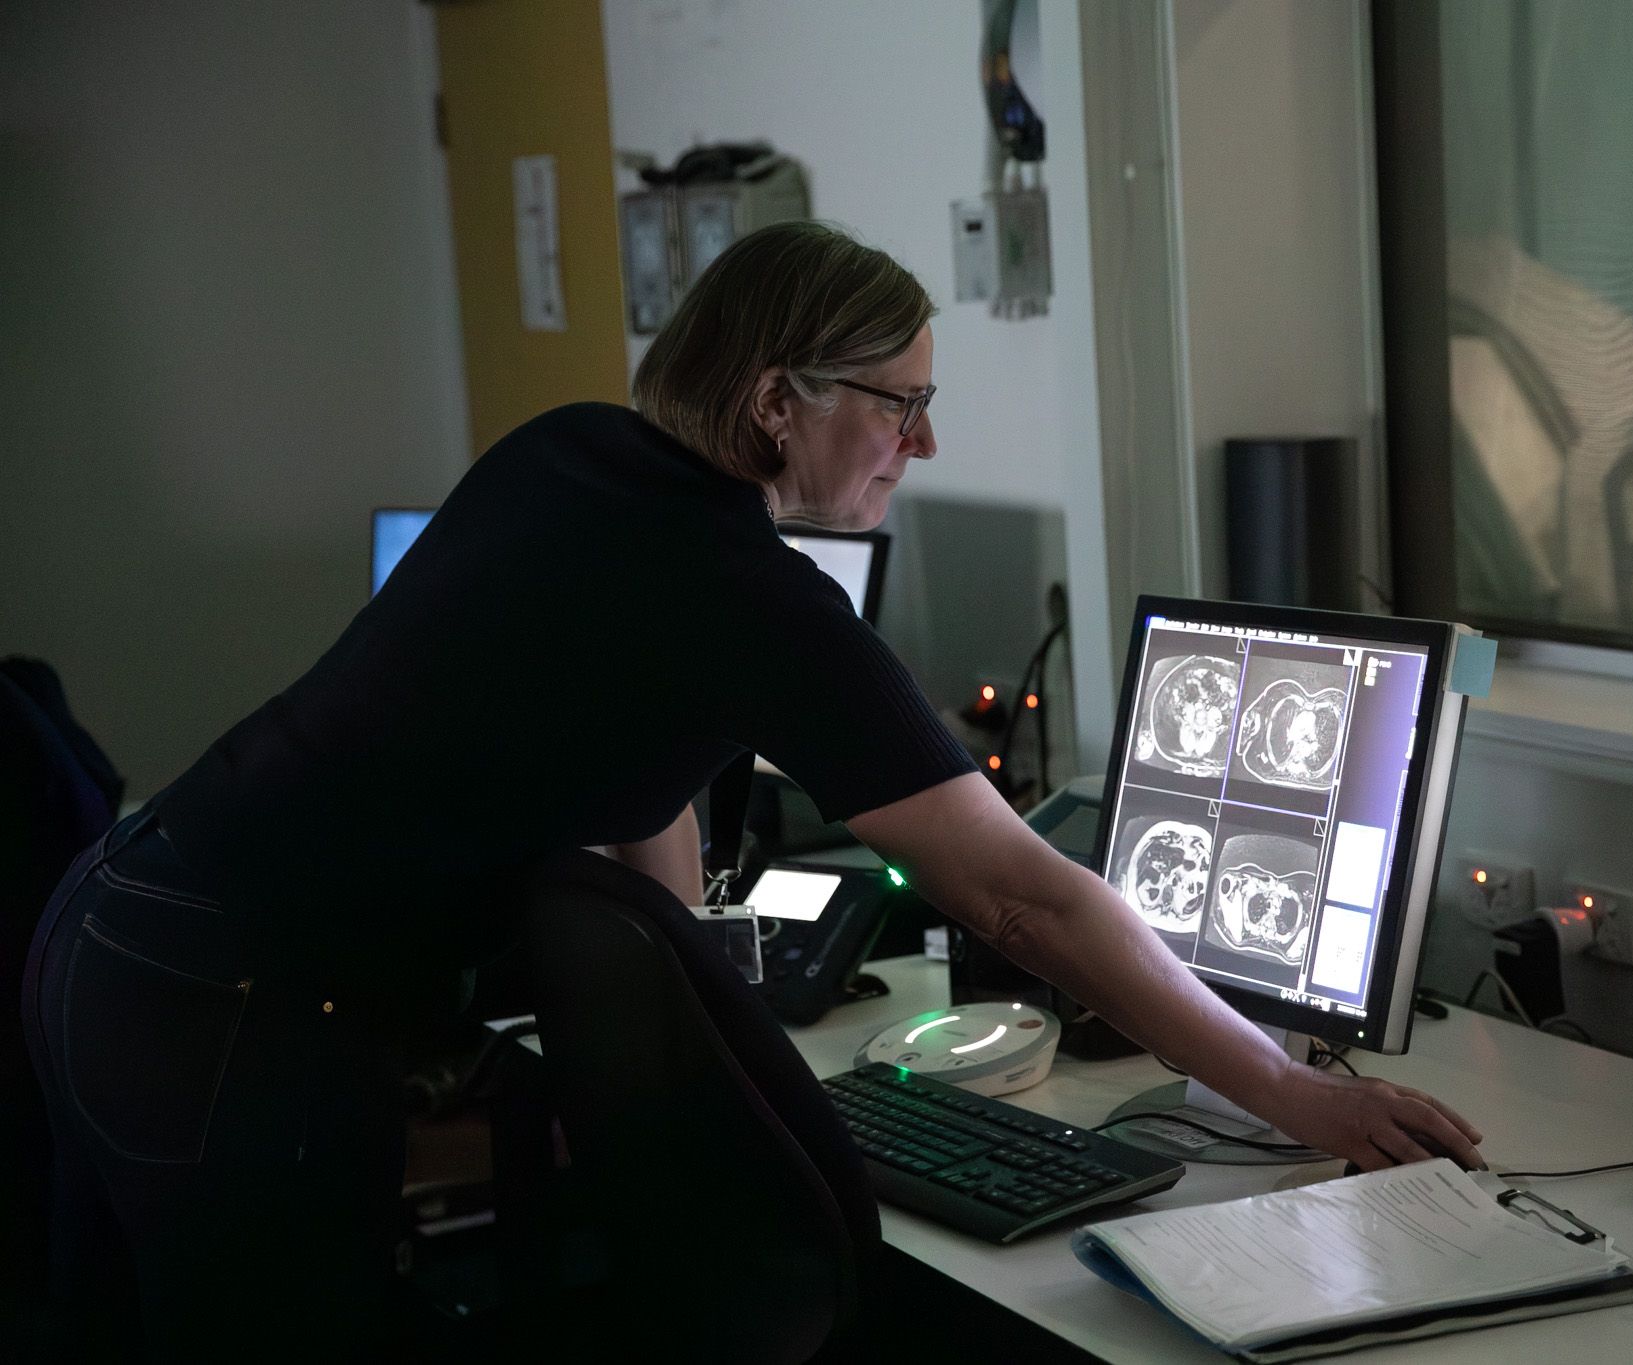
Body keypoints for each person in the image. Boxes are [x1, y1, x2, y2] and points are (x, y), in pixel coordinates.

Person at [20, 221, 1481, 1355]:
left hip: (122, 928)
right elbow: (1024, 898)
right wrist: (1292, 1090)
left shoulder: (578, 457)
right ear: (780, 400)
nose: (923, 444)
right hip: (219, 1011)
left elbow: (633, 768)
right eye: (898, 406)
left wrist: (682, 1021)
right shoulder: (749, 594)